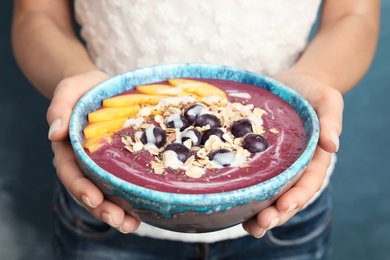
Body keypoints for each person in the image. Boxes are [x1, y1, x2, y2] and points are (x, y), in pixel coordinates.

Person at [12, 0, 379, 259]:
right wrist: (75, 82)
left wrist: (315, 77)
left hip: (286, 209)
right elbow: (38, 13)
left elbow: (353, 14)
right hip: (104, 202)